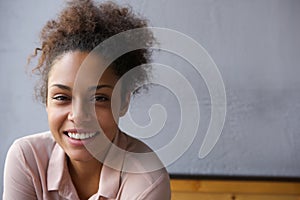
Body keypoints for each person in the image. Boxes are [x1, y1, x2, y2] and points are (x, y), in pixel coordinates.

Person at [3, 0, 171, 199]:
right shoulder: (27, 158)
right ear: (46, 101)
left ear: (124, 102)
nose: (79, 115)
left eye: (98, 98)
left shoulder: (147, 181)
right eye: (62, 97)